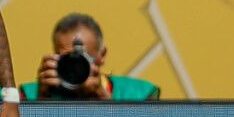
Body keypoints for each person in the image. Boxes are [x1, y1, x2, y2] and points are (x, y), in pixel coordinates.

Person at [20, 12, 160, 101]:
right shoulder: (28, 95)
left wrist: (105, 102)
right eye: (67, 58)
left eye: (83, 58)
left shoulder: (140, 95)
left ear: (102, 55)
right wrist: (40, 102)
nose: (75, 67)